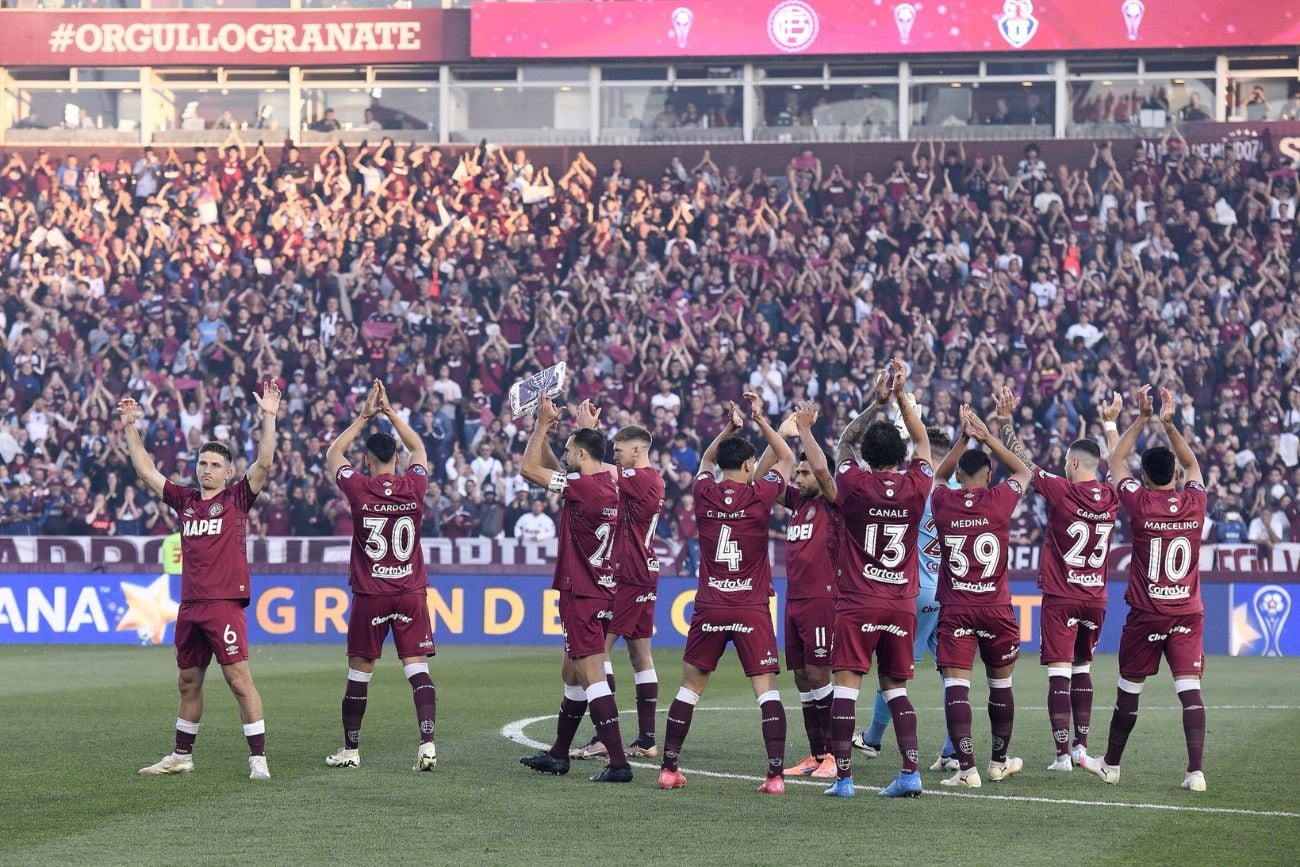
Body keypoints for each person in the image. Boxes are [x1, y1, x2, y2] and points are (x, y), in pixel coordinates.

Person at [122, 380, 281, 781]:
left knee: (238, 680)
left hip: (224, 604)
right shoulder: (185, 501)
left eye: (214, 465)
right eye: (202, 463)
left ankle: (258, 760)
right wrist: (130, 426)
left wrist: (269, 416)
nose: (206, 469)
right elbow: (146, 470)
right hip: (191, 605)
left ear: (228, 472)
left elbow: (264, 463)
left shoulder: (237, 499)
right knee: (188, 681)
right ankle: (182, 756)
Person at [658, 392, 795, 794]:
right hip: (750, 605)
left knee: (689, 688)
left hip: (711, 604)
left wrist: (729, 429)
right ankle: (774, 776)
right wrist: (761, 421)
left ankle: (668, 768)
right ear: (750, 466)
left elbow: (705, 460)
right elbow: (787, 458)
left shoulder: (703, 491)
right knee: (766, 692)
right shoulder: (760, 494)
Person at [1084, 386, 1208, 793]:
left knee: (1129, 689)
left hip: (1147, 613)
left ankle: (1112, 765)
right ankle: (1195, 772)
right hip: (1187, 612)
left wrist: (1141, 417)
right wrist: (1169, 425)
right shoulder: (1195, 503)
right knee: (1189, 690)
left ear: (1144, 478)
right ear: (1176, 477)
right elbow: (1192, 463)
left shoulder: (1139, 504)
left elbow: (1116, 459)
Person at [995, 386, 1119, 772]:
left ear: (1074, 462)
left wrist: (1005, 422)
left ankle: (1063, 754)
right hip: (1096, 597)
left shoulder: (1062, 490)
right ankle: (1082, 746)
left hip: (1062, 596)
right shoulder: (1112, 495)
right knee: (1083, 668)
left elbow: (1023, 462)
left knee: (1060, 673)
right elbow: (1120, 464)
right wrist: (1111, 426)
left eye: (1067, 462)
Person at [824, 358, 931, 799]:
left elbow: (844, 441)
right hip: (901, 602)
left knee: (847, 688)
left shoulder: (854, 483)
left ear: (866, 456)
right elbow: (922, 440)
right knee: (895, 688)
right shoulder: (917, 485)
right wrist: (902, 396)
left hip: (858, 600)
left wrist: (876, 402)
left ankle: (844, 780)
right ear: (902, 457)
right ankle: (910, 773)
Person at [323, 380, 438, 773]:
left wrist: (363, 417)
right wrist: (390, 412)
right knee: (417, 669)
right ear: (397, 458)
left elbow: (333, 453)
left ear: (366, 460)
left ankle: (351, 751)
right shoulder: (414, 484)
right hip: (410, 591)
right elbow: (419, 449)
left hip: (371, 593)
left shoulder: (359, 488)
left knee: (360, 673)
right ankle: (427, 745)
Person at [518, 396, 632, 783]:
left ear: (582, 455)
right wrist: (578, 433)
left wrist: (540, 426)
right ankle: (559, 753)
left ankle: (618, 762)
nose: (564, 456)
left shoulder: (584, 487)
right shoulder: (608, 484)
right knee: (571, 671)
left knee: (590, 673)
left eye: (569, 451)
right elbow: (560, 471)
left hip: (581, 592)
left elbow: (529, 469)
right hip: (604, 589)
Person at [930, 405, 1032, 788]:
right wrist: (989, 438)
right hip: (996, 608)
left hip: (957, 608)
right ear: (990, 475)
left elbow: (937, 476)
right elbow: (1024, 471)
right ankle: (998, 763)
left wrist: (963, 439)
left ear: (959, 476)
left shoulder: (944, 500)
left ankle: (967, 769)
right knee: (1000, 686)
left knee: (957, 688)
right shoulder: (1000, 498)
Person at [855, 422, 959, 772]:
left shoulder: (914, 486)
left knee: (893, 670)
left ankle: (873, 738)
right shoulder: (958, 491)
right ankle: (952, 748)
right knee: (951, 673)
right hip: (950, 593)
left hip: (915, 590)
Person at [569, 402, 666, 761]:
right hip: (645, 573)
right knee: (640, 655)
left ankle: (602, 737)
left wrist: (589, 434)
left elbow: (600, 469)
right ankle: (646, 739)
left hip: (631, 576)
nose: (616, 455)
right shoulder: (653, 479)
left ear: (637, 450)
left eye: (620, 450)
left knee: (595, 653)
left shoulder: (642, 477)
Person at [773, 402, 841, 780]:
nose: (797, 478)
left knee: (819, 674)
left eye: (803, 472)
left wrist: (805, 431)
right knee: (801, 676)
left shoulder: (833, 503)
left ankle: (834, 754)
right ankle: (816, 754)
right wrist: (779, 435)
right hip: (794, 600)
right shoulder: (798, 502)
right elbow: (762, 477)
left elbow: (822, 471)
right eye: (796, 472)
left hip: (822, 599)